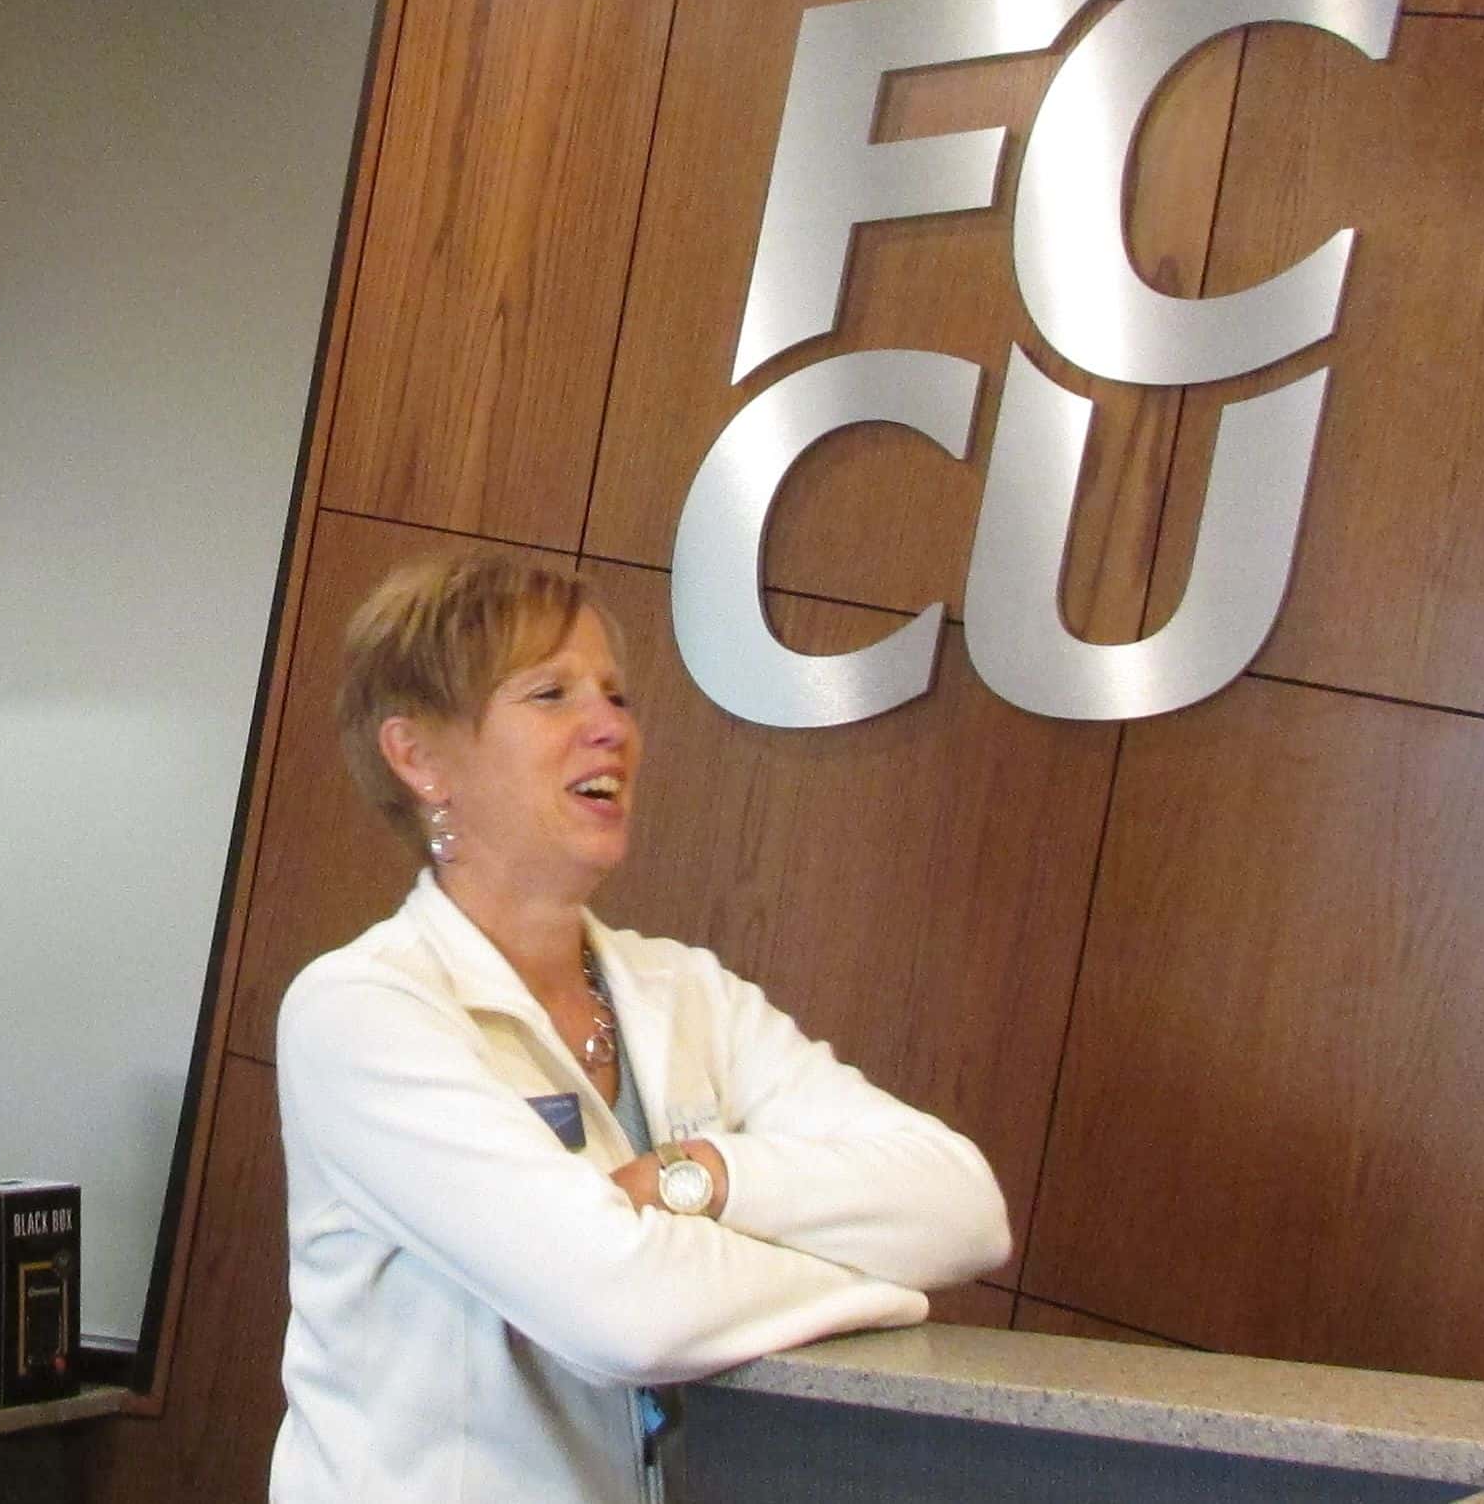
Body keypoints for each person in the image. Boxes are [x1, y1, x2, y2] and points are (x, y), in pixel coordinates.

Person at [271, 553, 1010, 1504]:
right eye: (550, 695)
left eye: (616, 697)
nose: (610, 728)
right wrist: (883, 1293)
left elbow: (962, 1209)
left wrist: (694, 1179)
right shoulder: (362, 1010)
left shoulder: (686, 990)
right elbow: (624, 1313)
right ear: (419, 758)